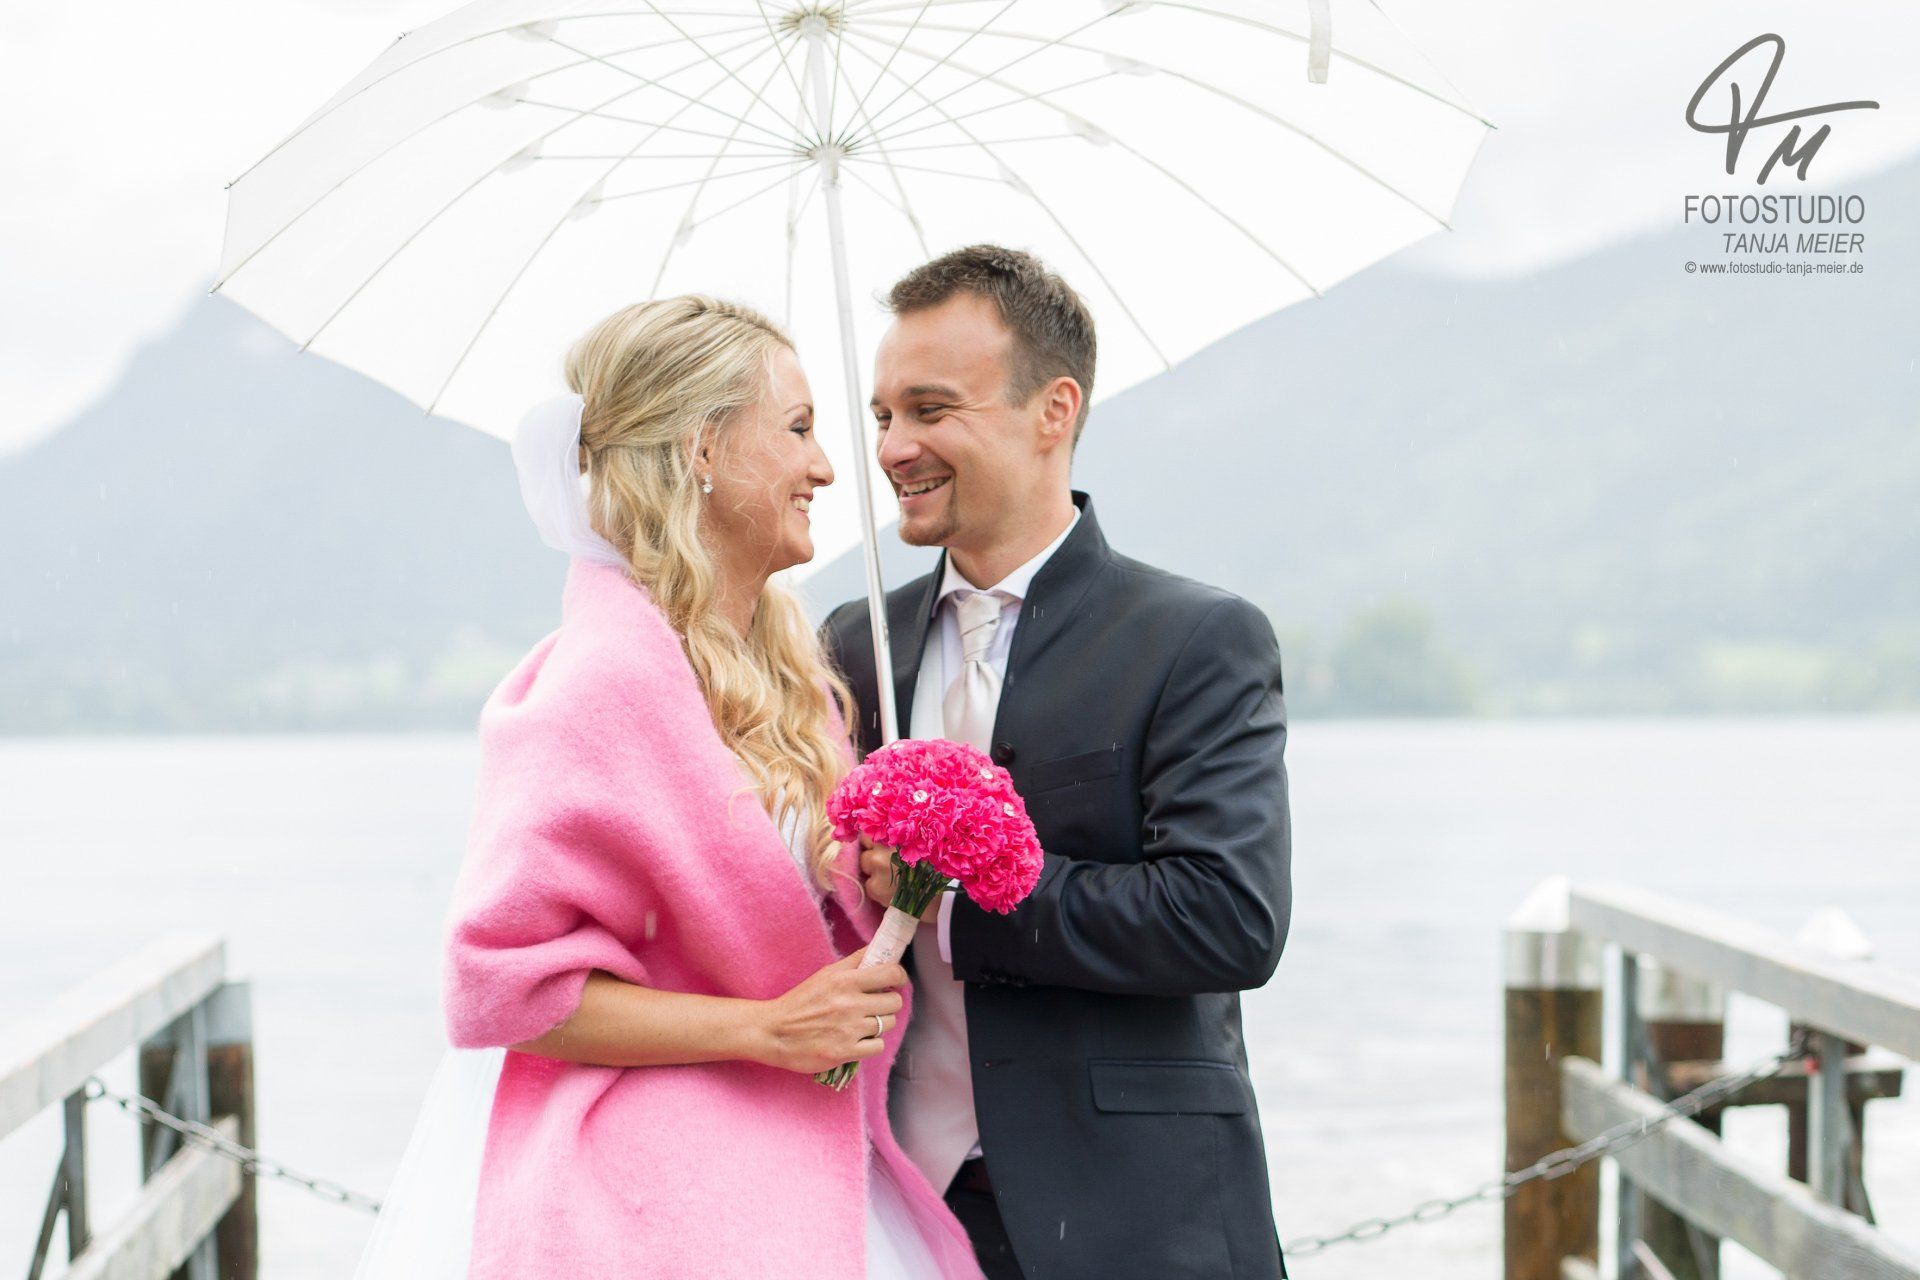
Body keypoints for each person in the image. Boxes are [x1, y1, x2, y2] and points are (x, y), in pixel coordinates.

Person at [352, 296, 983, 1280]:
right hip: (651, 1204)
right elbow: (501, 989)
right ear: (702, 449)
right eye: (799, 429)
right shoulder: (594, 684)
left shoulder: (795, 680)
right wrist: (765, 1028)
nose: (827, 467)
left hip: (794, 1172)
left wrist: (879, 879)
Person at [823, 246, 1294, 1280]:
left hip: (1140, 1219)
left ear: (1054, 409)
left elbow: (1229, 918)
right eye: (883, 415)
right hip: (899, 1209)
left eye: (931, 409)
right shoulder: (854, 643)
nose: (894, 447)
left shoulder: (1194, 638)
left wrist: (957, 903)